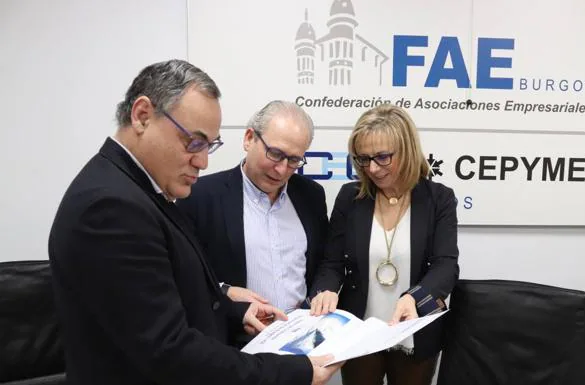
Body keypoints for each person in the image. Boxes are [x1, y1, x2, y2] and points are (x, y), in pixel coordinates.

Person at [47, 59, 340, 385]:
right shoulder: (110, 207)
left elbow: (173, 296)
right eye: (194, 143)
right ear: (142, 115)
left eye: (209, 146)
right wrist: (296, 372)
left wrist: (236, 311)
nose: (202, 161)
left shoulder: (140, 192)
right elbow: (169, 350)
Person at [325, 104, 460, 385]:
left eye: (382, 157)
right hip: (361, 333)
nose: (372, 168)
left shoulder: (439, 199)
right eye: (363, 159)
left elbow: (446, 265)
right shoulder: (350, 198)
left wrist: (415, 298)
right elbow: (332, 263)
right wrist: (322, 290)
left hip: (415, 332)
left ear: (407, 149)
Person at [177, 101, 341, 325]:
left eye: (293, 160)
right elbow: (183, 275)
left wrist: (323, 292)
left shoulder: (311, 195)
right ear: (249, 138)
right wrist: (224, 291)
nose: (282, 169)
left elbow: (324, 261)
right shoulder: (200, 196)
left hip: (302, 336)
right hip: (235, 342)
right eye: (275, 153)